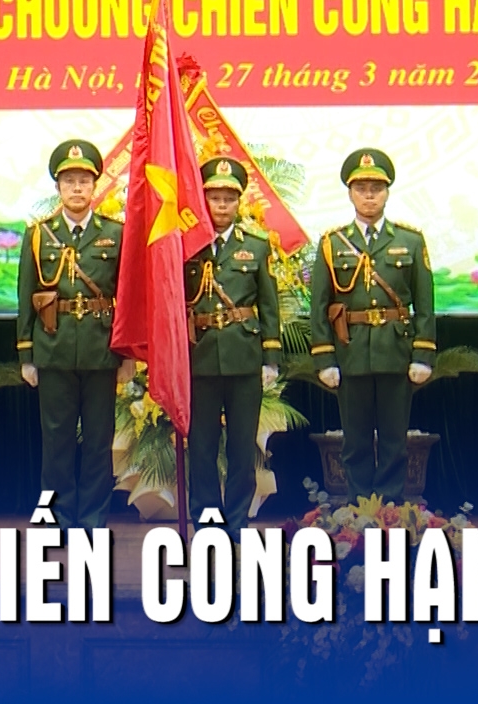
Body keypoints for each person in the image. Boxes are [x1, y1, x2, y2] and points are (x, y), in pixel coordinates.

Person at [308, 149, 437, 501]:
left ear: (387, 193)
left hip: (396, 350)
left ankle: (391, 508)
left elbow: (425, 303)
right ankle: (360, 506)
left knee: (395, 439)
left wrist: (423, 354)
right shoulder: (332, 243)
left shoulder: (410, 240)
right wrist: (324, 358)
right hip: (350, 352)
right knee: (355, 440)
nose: (369, 196)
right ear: (350, 193)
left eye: (376, 188)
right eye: (361, 188)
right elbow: (319, 305)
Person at [16, 139, 129, 530]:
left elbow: (128, 296)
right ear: (58, 187)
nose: (77, 188)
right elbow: (26, 297)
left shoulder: (116, 233)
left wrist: (127, 355)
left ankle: (93, 521)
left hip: (101, 349)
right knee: (56, 442)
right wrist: (27, 355)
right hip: (54, 348)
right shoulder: (38, 235)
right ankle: (59, 518)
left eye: (83, 181)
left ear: (95, 185)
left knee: (98, 441)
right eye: (69, 181)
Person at [182, 156, 281, 530]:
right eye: (215, 198)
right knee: (202, 446)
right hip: (200, 357)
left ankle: (237, 520)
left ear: (239, 202)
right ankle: (206, 519)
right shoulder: (186, 246)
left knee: (241, 446)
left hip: (244, 357)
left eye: (229, 199)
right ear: (203, 200)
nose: (222, 206)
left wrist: (270, 358)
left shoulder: (255, 247)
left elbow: (268, 305)